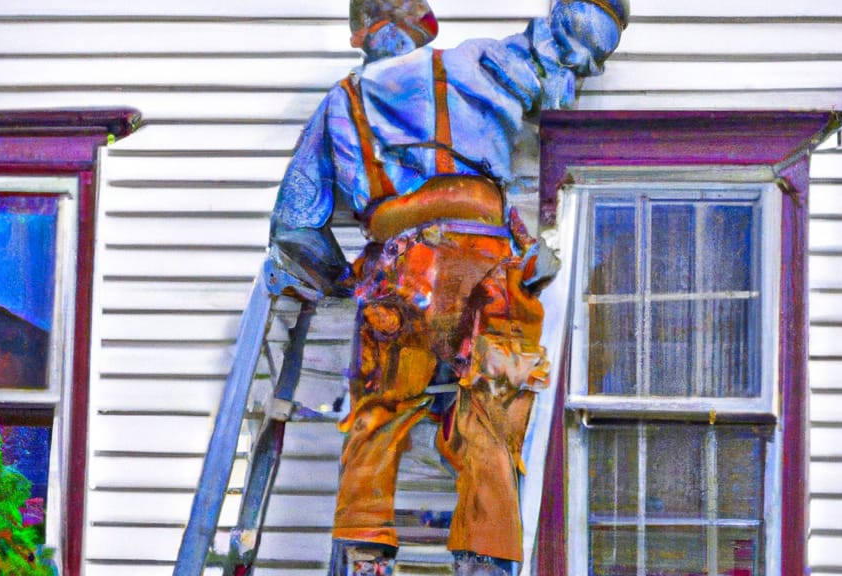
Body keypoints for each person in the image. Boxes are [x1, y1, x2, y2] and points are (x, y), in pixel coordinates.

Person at [265, 1, 628, 573]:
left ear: (362, 32)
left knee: (378, 417)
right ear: (422, 23)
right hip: (489, 268)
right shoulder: (482, 61)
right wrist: (594, 24)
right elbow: (560, 57)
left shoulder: (341, 102)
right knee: (489, 422)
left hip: (400, 271)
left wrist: (341, 279)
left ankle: (365, 561)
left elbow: (296, 229)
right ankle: (485, 562)